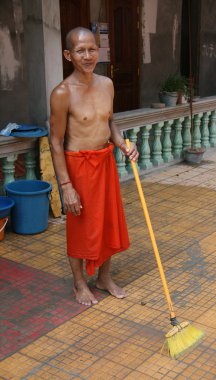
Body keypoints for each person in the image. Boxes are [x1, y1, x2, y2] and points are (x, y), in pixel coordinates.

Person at [49, 27, 139, 306]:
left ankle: (104, 277)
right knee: (81, 225)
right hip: (79, 166)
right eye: (80, 50)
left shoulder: (107, 84)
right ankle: (79, 283)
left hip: (105, 160)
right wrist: (66, 187)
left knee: (108, 221)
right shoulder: (62, 93)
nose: (87, 56)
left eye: (91, 49)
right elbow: (55, 141)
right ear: (68, 54)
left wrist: (123, 144)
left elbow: (109, 121)